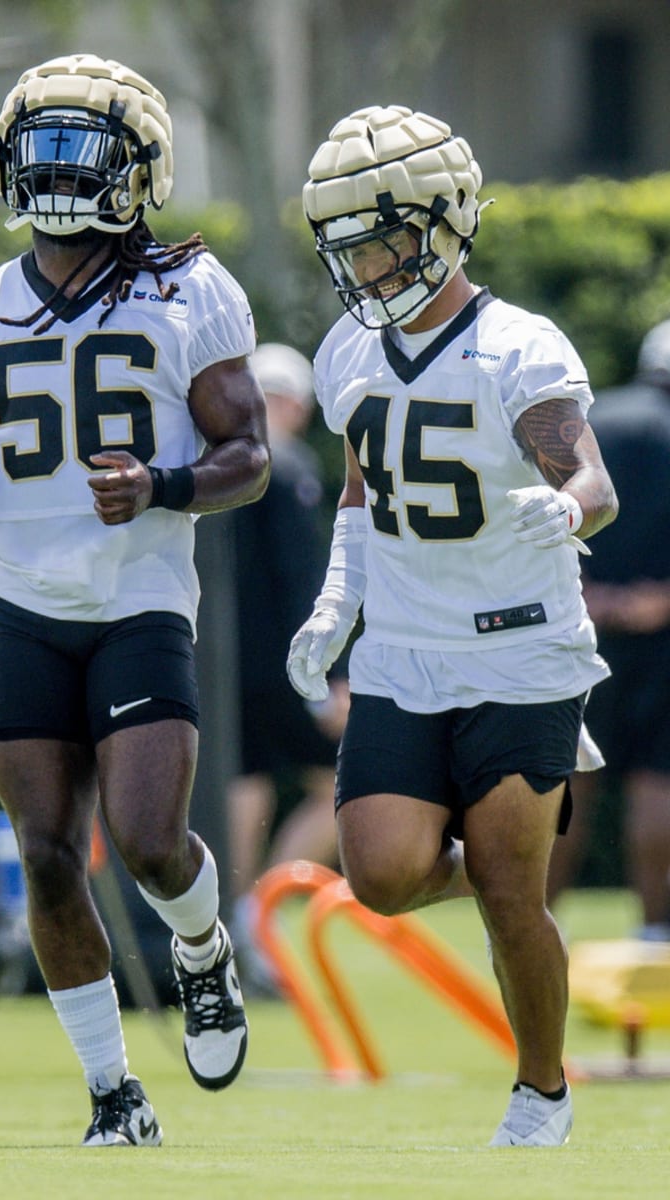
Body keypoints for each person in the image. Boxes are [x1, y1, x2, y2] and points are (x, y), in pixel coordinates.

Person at [0, 53, 270, 1148]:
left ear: (137, 170)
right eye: (41, 147)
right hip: (24, 608)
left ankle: (202, 952)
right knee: (47, 852)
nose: (56, 171)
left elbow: (248, 454)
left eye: (80, 151)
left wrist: (161, 485)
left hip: (140, 600)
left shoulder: (190, 289)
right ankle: (112, 1093)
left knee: (149, 844)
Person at [286, 105, 618, 1148]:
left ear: (444, 220)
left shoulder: (519, 346)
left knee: (514, 896)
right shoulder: (349, 348)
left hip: (522, 647)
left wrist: (565, 507)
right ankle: (495, 838)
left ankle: (541, 1094)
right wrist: (339, 598)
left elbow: (590, 475)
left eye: (381, 239)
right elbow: (358, 488)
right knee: (380, 874)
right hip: (405, 652)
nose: (369, 267)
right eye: (349, 247)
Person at [225, 343, 345, 988]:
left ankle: (232, 917)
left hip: (216, 659)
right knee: (338, 782)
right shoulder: (289, 461)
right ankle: (258, 910)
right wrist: (327, 675)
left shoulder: (216, 460)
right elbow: (306, 578)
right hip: (284, 663)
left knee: (243, 782)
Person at [545, 317, 670, 938]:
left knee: (571, 774)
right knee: (659, 780)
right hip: (664, 634)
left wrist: (587, 593)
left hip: (578, 618)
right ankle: (656, 932)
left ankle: (532, 920)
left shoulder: (602, 422)